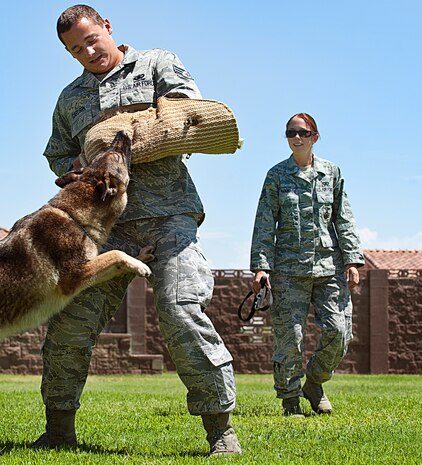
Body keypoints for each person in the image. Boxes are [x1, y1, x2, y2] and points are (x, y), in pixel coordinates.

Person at [33, 4, 241, 456]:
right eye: (75, 50)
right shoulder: (70, 99)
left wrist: (127, 136)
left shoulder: (156, 64)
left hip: (170, 216)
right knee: (70, 321)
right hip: (106, 232)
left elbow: (191, 115)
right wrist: (74, 163)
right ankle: (59, 429)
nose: (87, 52)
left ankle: (220, 429)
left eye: (91, 40)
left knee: (181, 311)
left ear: (107, 27)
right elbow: (56, 154)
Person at [249, 113, 364, 417]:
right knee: (290, 339)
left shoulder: (332, 173)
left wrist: (352, 260)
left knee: (339, 331)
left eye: (302, 132)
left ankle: (314, 383)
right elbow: (264, 223)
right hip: (288, 270)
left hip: (329, 267)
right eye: (290, 133)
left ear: (315, 136)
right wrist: (261, 267)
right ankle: (290, 401)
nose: (296, 138)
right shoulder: (276, 175)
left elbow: (344, 218)